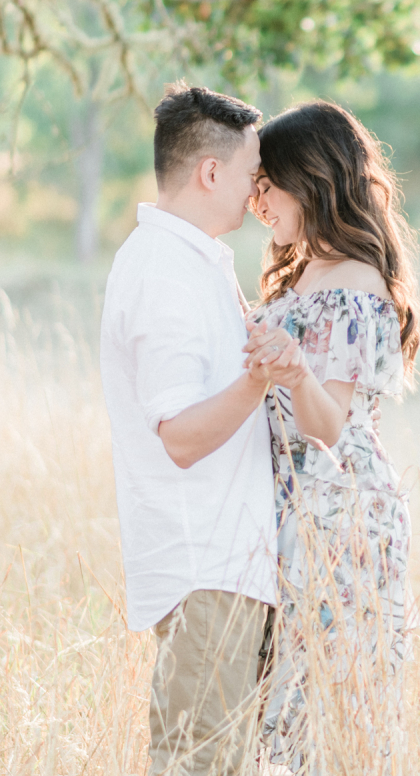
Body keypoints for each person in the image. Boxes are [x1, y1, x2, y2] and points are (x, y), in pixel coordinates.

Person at [100, 83, 302, 776]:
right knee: (198, 763)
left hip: (227, 565)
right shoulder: (165, 272)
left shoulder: (193, 263)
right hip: (203, 566)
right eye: (251, 174)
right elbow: (180, 436)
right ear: (210, 172)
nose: (255, 192)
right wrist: (259, 378)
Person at [244, 100, 420, 773]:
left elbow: (329, 429)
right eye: (254, 186)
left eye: (269, 184)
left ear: (310, 181)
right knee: (285, 712)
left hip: (337, 516)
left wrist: (289, 374)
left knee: (328, 709)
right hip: (296, 511)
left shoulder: (354, 284)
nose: (259, 201)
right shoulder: (305, 271)